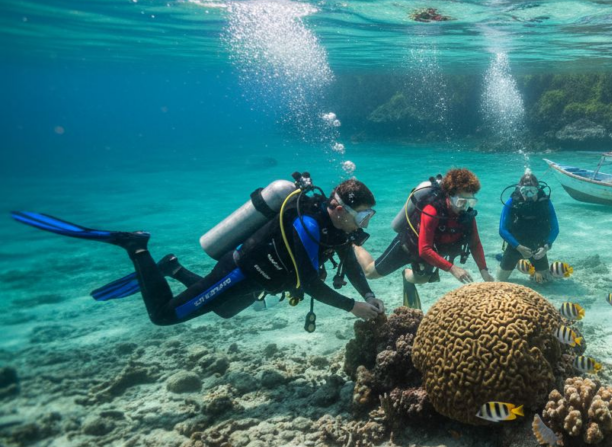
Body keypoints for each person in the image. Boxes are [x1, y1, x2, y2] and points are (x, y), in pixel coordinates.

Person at [10, 178, 385, 326]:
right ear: (338, 208)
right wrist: (353, 308)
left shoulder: (334, 230)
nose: (365, 223)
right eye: (361, 214)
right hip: (239, 274)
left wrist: (367, 293)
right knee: (164, 316)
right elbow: (308, 284)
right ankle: (137, 247)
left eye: (368, 215)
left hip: (260, 282)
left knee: (221, 310)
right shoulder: (305, 225)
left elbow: (350, 261)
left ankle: (172, 268)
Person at [354, 168, 494, 310]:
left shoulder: (466, 217)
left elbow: (475, 243)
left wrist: (483, 270)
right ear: (450, 196)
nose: (464, 207)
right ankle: (354, 246)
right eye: (461, 201)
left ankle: (406, 275)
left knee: (422, 279)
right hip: (408, 246)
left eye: (470, 202)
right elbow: (424, 249)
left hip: (430, 253)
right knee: (370, 273)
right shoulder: (432, 210)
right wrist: (452, 268)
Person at [497, 171, 559, 283]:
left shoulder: (545, 202)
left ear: (538, 189)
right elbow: (502, 229)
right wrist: (518, 247)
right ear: (519, 189)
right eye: (525, 191)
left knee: (547, 283)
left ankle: (534, 273)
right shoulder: (512, 201)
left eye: (532, 191)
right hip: (515, 246)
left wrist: (546, 247)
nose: (528, 194)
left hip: (538, 248)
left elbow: (555, 228)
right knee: (499, 281)